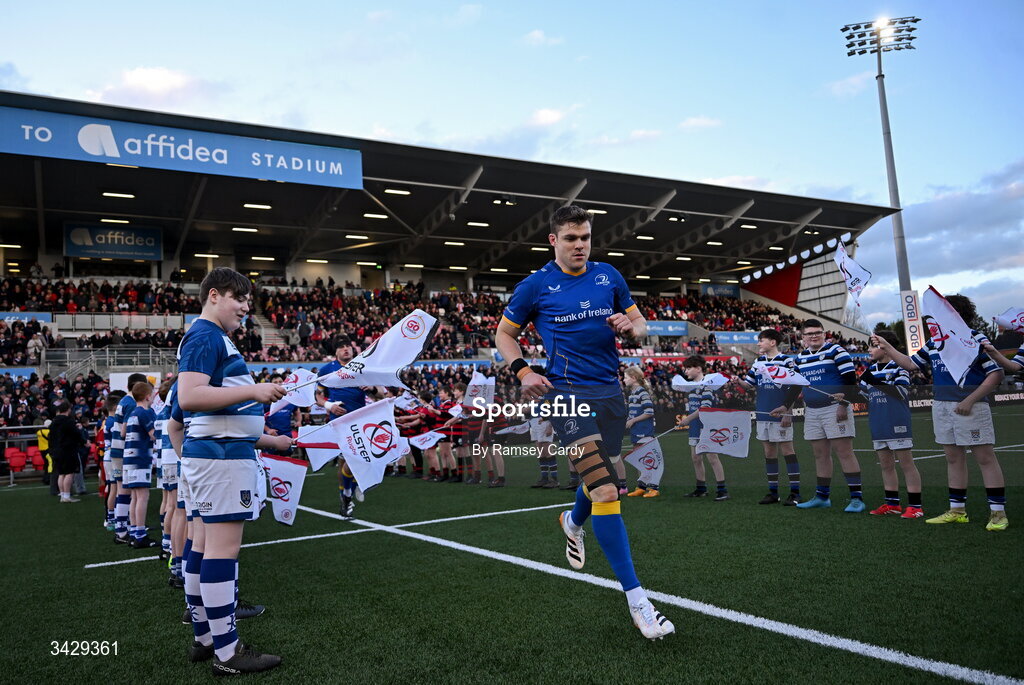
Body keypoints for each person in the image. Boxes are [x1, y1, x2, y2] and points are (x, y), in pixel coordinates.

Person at [494, 204, 674, 639]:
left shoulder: (609, 276)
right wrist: (524, 371)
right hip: (565, 395)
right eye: (571, 238)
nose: (580, 245)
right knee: (609, 489)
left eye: (586, 237)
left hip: (610, 394)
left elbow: (642, 326)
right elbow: (504, 334)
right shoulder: (535, 286)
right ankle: (640, 604)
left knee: (600, 480)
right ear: (553, 240)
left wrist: (631, 328)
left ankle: (572, 522)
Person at [176, 267, 292, 674]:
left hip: (212, 455)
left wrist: (269, 439)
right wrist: (255, 390)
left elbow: (196, 410)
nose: (246, 306)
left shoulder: (206, 337)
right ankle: (228, 653)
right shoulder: (207, 335)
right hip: (220, 461)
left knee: (203, 546)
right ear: (212, 296)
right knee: (222, 550)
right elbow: (190, 397)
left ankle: (206, 639)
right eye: (238, 298)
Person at [873, 295, 1007, 531]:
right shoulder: (935, 340)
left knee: (985, 458)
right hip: (942, 406)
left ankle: (998, 513)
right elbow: (912, 364)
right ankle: (957, 510)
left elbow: (995, 374)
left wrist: (970, 399)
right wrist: (889, 348)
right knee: (953, 458)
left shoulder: (975, 337)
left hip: (972, 406)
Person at [772, 320, 864, 512]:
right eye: (809, 333)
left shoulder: (836, 351)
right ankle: (822, 497)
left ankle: (857, 499)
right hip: (812, 411)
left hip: (835, 408)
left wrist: (843, 404)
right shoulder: (801, 357)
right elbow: (796, 385)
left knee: (844, 452)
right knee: (820, 455)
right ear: (802, 337)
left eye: (817, 332)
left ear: (824, 334)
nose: (814, 336)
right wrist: (785, 405)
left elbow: (850, 380)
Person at [859, 331, 923, 518]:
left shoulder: (899, 367)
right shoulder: (869, 371)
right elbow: (865, 396)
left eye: (872, 346)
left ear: (884, 347)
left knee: (906, 464)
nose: (869, 350)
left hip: (897, 421)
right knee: (886, 464)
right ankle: (892, 504)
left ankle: (916, 506)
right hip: (878, 422)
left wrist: (875, 383)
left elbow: (901, 392)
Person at [733, 329, 801, 505]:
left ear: (773, 342)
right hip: (763, 413)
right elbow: (748, 385)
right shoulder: (758, 362)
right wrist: (737, 382)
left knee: (787, 451)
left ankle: (795, 493)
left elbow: (795, 386)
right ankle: (773, 493)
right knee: (769, 452)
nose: (758, 344)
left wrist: (788, 411)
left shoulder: (787, 361)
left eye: (761, 340)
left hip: (781, 413)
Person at [315, 345, 377, 517]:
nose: (345, 350)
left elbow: (381, 392)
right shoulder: (327, 370)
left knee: (357, 460)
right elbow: (318, 397)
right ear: (335, 352)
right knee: (347, 460)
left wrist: (371, 388)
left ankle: (348, 492)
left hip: (362, 420)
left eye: (348, 347)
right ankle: (346, 496)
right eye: (341, 347)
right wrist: (330, 406)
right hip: (340, 421)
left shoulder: (362, 367)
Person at [675, 356, 729, 501]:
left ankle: (722, 490)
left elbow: (704, 408)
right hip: (695, 427)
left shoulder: (707, 386)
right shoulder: (692, 388)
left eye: (688, 368)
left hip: (708, 427)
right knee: (696, 458)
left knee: (712, 457)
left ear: (698, 369)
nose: (685, 371)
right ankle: (701, 489)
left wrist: (687, 419)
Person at [109, 372, 149, 543]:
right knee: (125, 492)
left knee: (122, 491)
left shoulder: (123, 401)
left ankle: (124, 528)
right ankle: (122, 531)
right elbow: (126, 431)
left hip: (117, 450)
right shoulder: (131, 403)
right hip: (125, 451)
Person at [123, 381, 158, 549]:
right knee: (142, 497)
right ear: (147, 396)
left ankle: (134, 532)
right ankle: (140, 535)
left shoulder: (132, 414)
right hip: (140, 459)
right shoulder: (143, 413)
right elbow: (154, 435)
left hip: (130, 460)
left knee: (135, 497)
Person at [623, 366, 658, 498]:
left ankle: (653, 487)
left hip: (644, 430)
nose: (623, 380)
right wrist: (630, 419)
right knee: (639, 458)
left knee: (647, 459)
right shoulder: (632, 393)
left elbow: (649, 412)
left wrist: (633, 421)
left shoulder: (642, 392)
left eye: (626, 377)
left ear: (634, 378)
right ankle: (641, 487)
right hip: (636, 430)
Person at [49, 401, 84, 503]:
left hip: (56, 450)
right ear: (68, 409)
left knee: (61, 473)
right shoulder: (68, 421)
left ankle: (63, 495)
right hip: (67, 450)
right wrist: (82, 438)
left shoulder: (54, 422)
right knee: (69, 473)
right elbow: (75, 434)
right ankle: (67, 495)